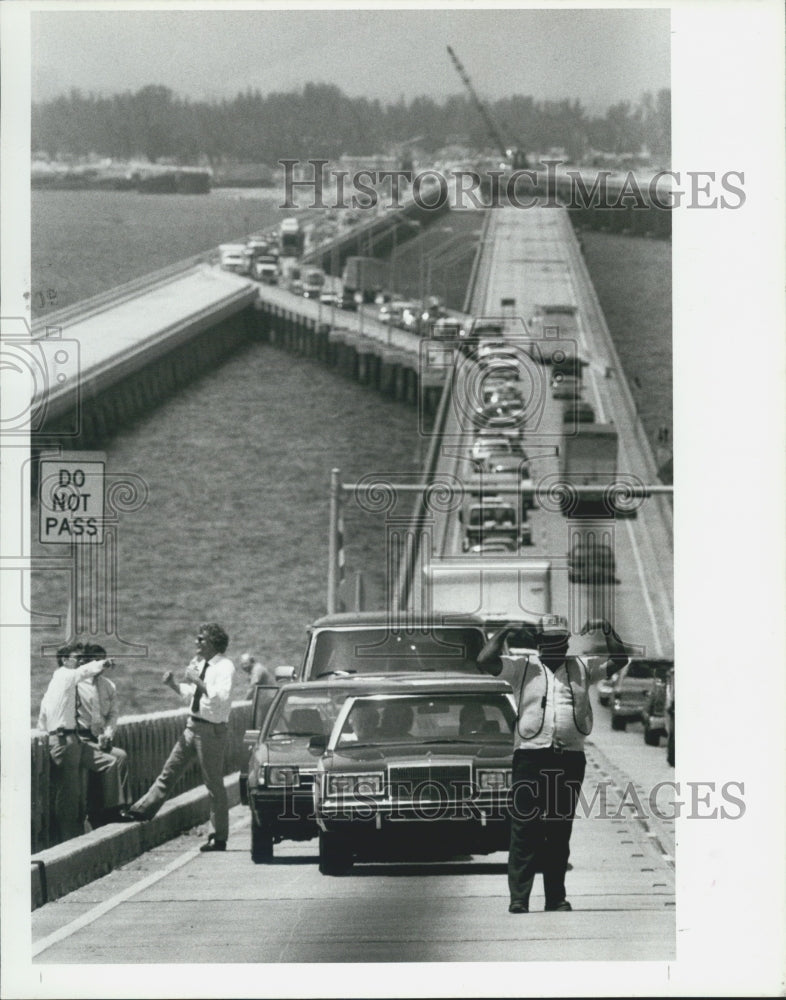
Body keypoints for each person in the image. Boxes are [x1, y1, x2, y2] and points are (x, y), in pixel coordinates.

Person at [477, 614, 631, 914]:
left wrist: (607, 628)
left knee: (559, 830)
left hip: (569, 758)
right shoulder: (522, 669)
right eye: (548, 642)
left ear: (566, 643)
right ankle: (519, 898)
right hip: (530, 757)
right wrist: (507, 630)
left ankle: (555, 898)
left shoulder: (583, 668)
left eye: (560, 642)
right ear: (538, 644)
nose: (554, 648)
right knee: (524, 829)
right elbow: (485, 660)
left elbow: (619, 659)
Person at [120, 622, 235, 853]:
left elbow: (219, 698)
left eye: (201, 639)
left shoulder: (225, 667)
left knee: (213, 784)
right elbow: (192, 696)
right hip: (192, 726)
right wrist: (173, 684)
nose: (196, 642)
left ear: (212, 641)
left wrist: (196, 679)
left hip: (211, 731)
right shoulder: (200, 664)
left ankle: (218, 836)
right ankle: (142, 810)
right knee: (169, 771)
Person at [37, 641, 115, 841]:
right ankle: (71, 838)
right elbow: (83, 672)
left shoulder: (59, 683)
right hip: (65, 740)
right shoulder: (65, 675)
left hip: (68, 739)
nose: (81, 661)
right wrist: (103, 663)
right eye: (77, 658)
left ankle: (75, 832)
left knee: (72, 793)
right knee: (70, 795)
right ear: (64, 660)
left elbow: (44, 714)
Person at [75, 643, 131, 827]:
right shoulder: (76, 683)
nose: (99, 664)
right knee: (110, 761)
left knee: (120, 756)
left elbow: (112, 714)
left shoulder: (108, 686)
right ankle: (106, 812)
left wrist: (107, 735)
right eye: (95, 659)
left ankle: (121, 806)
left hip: (99, 738)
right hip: (82, 738)